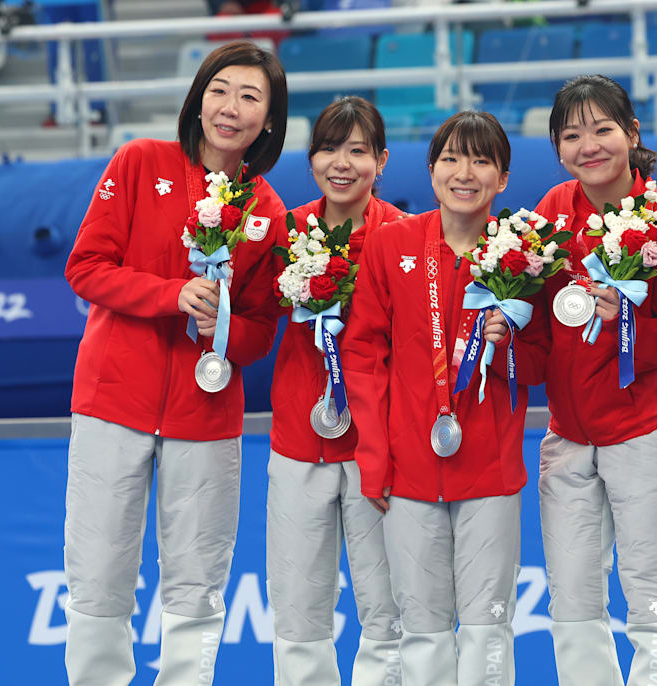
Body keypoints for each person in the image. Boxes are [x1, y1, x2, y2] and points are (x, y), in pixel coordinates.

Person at [61, 40, 288, 686]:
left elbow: (260, 334)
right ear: (198, 97)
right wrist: (171, 296)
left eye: (250, 97)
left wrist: (227, 328)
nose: (230, 107)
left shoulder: (266, 210)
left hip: (206, 412)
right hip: (113, 401)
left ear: (268, 120)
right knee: (99, 569)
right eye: (220, 90)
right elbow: (85, 267)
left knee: (197, 577)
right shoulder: (139, 162)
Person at [342, 110, 547, 686]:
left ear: (502, 178)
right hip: (408, 471)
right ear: (431, 169)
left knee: (487, 630)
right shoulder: (391, 244)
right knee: (423, 630)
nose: (465, 172)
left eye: (482, 161)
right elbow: (363, 355)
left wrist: (507, 347)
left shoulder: (523, 254)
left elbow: (541, 363)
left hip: (490, 470)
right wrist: (375, 457)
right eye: (452, 158)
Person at [531, 74, 657, 686]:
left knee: (654, 605)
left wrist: (627, 326)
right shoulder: (553, 212)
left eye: (603, 129)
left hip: (646, 435)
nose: (590, 146)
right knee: (572, 606)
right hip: (569, 438)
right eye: (572, 135)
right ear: (557, 147)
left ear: (632, 134)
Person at [266, 95, 406, 686]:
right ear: (310, 157)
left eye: (357, 150)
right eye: (328, 148)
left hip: (376, 448)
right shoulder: (286, 229)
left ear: (382, 158)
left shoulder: (403, 235)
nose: (341, 163)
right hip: (299, 442)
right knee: (298, 613)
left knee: (387, 611)